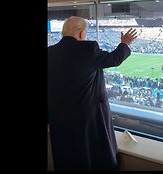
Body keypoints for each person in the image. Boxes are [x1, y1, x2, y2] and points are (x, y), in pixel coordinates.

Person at [47, 16, 138, 171]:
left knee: (66, 156)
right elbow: (114, 59)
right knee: (91, 155)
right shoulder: (88, 49)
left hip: (58, 117)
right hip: (86, 118)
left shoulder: (49, 52)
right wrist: (125, 43)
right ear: (82, 34)